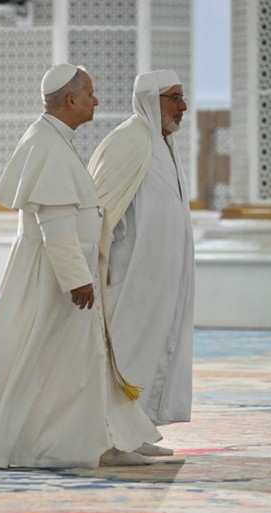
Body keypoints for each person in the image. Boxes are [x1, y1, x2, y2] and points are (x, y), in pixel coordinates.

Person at [0, 64, 165, 469]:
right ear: (70, 100)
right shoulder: (47, 145)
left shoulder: (53, 139)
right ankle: (50, 445)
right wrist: (77, 280)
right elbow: (57, 228)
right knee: (41, 359)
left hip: (66, 273)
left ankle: (101, 440)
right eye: (90, 93)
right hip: (54, 278)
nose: (96, 101)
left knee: (76, 360)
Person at [88, 70, 194, 427]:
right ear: (152, 99)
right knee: (127, 350)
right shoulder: (129, 141)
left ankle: (139, 430)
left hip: (160, 277)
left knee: (153, 348)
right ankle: (114, 435)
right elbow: (98, 208)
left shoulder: (162, 143)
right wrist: (97, 262)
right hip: (130, 275)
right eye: (175, 98)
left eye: (182, 97)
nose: (184, 107)